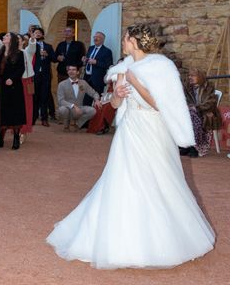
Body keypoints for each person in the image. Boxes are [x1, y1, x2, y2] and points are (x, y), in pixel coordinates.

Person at [47, 24, 215, 269]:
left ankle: (167, 240)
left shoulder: (161, 67)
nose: (123, 41)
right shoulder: (122, 68)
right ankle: (120, 240)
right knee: (121, 178)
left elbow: (159, 104)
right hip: (129, 130)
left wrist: (135, 82)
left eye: (125, 37)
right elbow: (114, 105)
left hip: (153, 130)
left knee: (158, 180)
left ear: (134, 41)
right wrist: (119, 94)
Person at [0, 32, 26, 149]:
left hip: (13, 87)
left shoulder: (19, 54)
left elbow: (21, 68)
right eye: (4, 36)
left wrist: (12, 79)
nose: (4, 37)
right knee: (0, 112)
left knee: (14, 112)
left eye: (7, 36)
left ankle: (16, 139)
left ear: (12, 40)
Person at [182, 69, 222, 158]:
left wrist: (196, 108)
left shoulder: (208, 87)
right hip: (191, 113)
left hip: (206, 113)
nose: (190, 78)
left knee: (192, 117)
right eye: (189, 76)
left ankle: (194, 148)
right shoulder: (187, 88)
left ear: (199, 77)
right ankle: (187, 145)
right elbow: (183, 101)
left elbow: (210, 103)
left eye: (193, 76)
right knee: (187, 116)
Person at [56, 64, 102, 132]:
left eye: (74, 70)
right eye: (69, 70)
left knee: (93, 111)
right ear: (67, 72)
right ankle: (66, 126)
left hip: (79, 108)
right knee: (62, 109)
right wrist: (73, 106)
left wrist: (97, 99)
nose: (71, 71)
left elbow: (94, 93)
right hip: (67, 108)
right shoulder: (62, 84)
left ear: (78, 72)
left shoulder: (83, 83)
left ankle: (78, 124)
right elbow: (60, 100)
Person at [32, 27, 56, 127]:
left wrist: (48, 55)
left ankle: (44, 118)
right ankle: (33, 118)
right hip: (34, 75)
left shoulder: (48, 46)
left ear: (42, 34)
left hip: (46, 75)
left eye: (39, 33)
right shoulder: (31, 46)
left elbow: (54, 59)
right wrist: (38, 53)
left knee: (44, 97)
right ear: (33, 35)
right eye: (35, 33)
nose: (37, 34)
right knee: (35, 97)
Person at [81, 31, 113, 102]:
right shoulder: (91, 48)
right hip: (87, 77)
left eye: (98, 37)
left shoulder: (107, 51)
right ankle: (87, 112)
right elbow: (88, 60)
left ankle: (96, 113)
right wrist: (85, 60)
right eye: (94, 37)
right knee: (86, 99)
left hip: (97, 80)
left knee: (97, 100)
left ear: (102, 39)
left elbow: (108, 65)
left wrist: (96, 62)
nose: (95, 39)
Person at [18, 34, 37, 140]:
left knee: (26, 106)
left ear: (23, 42)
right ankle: (15, 128)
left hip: (26, 81)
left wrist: (32, 39)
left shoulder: (26, 52)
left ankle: (23, 131)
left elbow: (32, 48)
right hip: (14, 81)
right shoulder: (11, 53)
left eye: (18, 39)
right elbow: (2, 47)